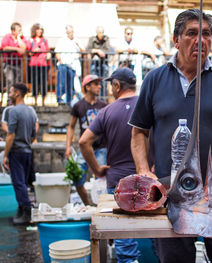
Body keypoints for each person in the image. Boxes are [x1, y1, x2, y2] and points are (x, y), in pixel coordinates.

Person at [129, 9, 212, 263]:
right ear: (176, 40)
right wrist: (143, 169)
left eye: (206, 34)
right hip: (170, 195)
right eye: (192, 33)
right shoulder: (154, 80)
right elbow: (139, 131)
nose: (201, 40)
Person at [79, 67, 140, 263]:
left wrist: (96, 169)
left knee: (124, 237)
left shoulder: (106, 112)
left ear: (117, 85)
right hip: (149, 178)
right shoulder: (148, 106)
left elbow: (83, 142)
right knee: (157, 233)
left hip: (118, 180)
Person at [66, 74, 107, 205]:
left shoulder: (104, 105)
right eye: (95, 84)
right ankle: (88, 206)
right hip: (85, 148)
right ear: (87, 86)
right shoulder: (78, 105)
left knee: (104, 181)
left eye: (99, 84)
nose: (99, 86)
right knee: (77, 178)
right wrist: (68, 147)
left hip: (102, 148)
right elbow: (71, 127)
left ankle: (101, 208)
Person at [2, 83, 37, 225]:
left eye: (10, 91)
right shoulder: (31, 111)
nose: (9, 94)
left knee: (19, 183)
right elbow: (33, 134)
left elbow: (10, 135)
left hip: (16, 151)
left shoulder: (14, 111)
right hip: (28, 151)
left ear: (17, 93)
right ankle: (23, 212)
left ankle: (26, 212)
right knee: (24, 183)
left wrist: (5, 155)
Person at [55, 25, 84, 105]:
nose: (70, 34)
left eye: (71, 32)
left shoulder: (77, 40)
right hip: (63, 64)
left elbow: (83, 50)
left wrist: (78, 45)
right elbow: (57, 52)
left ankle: (69, 100)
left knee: (71, 85)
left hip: (73, 66)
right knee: (62, 82)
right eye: (69, 32)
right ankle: (60, 99)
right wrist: (60, 61)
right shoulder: (62, 40)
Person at [1, 22, 30, 92]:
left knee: (18, 82)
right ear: (13, 31)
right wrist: (17, 49)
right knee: (10, 80)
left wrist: (19, 38)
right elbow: (4, 47)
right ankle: (9, 99)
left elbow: (24, 48)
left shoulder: (22, 38)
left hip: (18, 64)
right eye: (19, 30)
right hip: (8, 64)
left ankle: (16, 99)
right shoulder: (7, 37)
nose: (21, 32)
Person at [28, 23, 51, 106]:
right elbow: (29, 52)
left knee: (43, 82)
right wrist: (35, 51)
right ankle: (35, 101)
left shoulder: (44, 40)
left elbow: (48, 50)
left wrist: (48, 55)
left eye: (41, 29)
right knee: (35, 82)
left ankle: (43, 101)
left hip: (43, 65)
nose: (39, 31)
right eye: (38, 29)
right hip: (34, 65)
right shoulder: (31, 40)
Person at [86, 26, 110, 99]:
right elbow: (88, 49)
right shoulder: (92, 39)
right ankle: (94, 98)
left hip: (104, 63)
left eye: (102, 32)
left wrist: (101, 52)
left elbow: (107, 50)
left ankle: (102, 99)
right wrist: (97, 51)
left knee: (104, 81)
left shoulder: (106, 39)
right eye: (100, 32)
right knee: (94, 81)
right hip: (94, 63)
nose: (101, 34)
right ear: (97, 33)